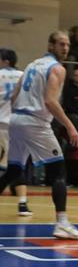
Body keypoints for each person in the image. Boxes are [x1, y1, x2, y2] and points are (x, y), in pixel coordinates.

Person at [0, 32, 78, 238]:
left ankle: (62, 223)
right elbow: (50, 101)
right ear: (51, 45)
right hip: (35, 122)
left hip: (16, 119)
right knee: (59, 172)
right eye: (61, 44)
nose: (65, 48)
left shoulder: (31, 65)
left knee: (13, 170)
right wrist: (70, 126)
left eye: (67, 44)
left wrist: (21, 115)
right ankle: (62, 223)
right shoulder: (57, 68)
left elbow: (13, 97)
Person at [0, 49, 30, 216]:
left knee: (7, 166)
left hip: (1, 124)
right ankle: (23, 204)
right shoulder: (23, 75)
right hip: (18, 124)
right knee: (17, 165)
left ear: (5, 61)